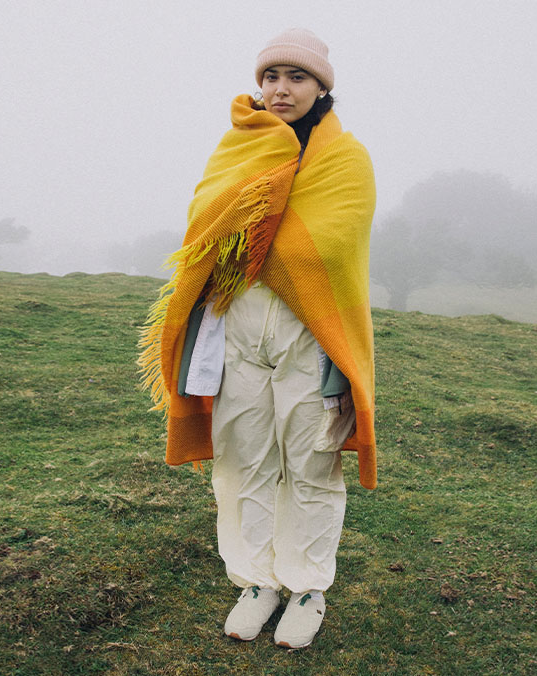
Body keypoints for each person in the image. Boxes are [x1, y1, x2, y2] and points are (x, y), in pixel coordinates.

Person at [138, 28, 377, 649]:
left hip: (307, 332)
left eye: (296, 78)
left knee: (311, 461)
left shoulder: (345, 160)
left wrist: (261, 238)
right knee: (242, 458)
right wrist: (246, 236)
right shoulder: (236, 147)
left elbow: (330, 243)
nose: (280, 89)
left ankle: (305, 587)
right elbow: (206, 225)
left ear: (321, 88)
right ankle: (256, 580)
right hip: (235, 325)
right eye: (271, 77)